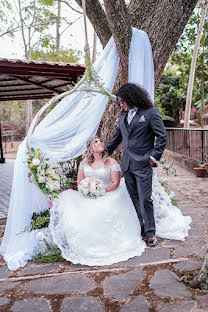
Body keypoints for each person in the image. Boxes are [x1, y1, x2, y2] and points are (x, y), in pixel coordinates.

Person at [49, 136, 146, 266]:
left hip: (108, 193)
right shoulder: (84, 163)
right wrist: (87, 191)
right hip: (88, 194)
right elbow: (79, 182)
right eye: (96, 142)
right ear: (90, 148)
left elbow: (115, 183)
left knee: (102, 209)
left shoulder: (111, 162)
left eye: (100, 141)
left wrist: (100, 192)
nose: (100, 143)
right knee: (69, 203)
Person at [107, 83, 167, 247]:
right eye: (119, 101)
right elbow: (116, 138)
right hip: (127, 165)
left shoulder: (150, 113)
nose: (121, 104)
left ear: (132, 98)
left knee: (145, 199)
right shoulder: (123, 117)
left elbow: (161, 137)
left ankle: (151, 233)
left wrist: (152, 158)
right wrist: (103, 153)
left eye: (123, 100)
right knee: (134, 198)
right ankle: (140, 228)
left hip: (143, 164)